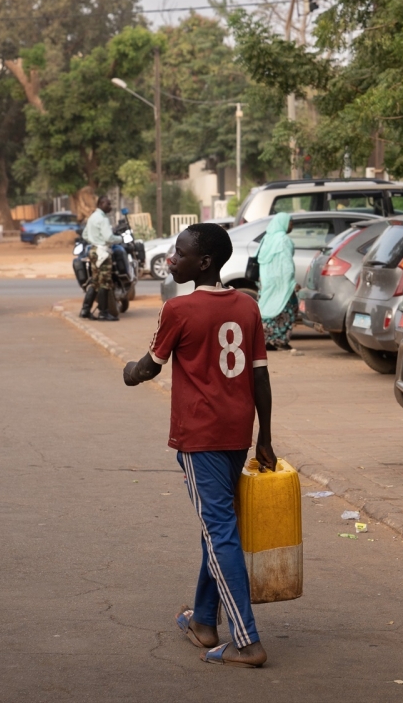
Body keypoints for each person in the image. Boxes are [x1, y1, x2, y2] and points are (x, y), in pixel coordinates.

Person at [123, 223, 276, 669]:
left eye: (180, 252)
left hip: (200, 436)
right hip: (237, 434)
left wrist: (129, 371)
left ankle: (247, 642)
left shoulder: (179, 309)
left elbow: (150, 368)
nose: (171, 258)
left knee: (219, 530)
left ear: (203, 263)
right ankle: (204, 621)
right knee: (219, 525)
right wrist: (264, 437)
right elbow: (260, 377)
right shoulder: (247, 307)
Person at [255, 212, 297, 350]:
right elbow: (286, 263)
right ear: (283, 223)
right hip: (282, 282)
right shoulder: (283, 239)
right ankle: (280, 340)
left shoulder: (267, 238)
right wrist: (291, 281)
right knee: (288, 310)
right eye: (290, 222)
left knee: (266, 310)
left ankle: (265, 340)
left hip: (267, 282)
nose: (292, 225)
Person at [81, 196, 120, 321]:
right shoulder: (103, 219)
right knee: (105, 283)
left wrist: (94, 241)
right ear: (101, 204)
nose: (110, 206)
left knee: (95, 281)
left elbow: (85, 234)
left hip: (93, 251)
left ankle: (85, 310)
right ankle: (103, 312)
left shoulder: (92, 217)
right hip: (102, 253)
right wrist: (120, 239)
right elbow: (109, 237)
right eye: (108, 204)